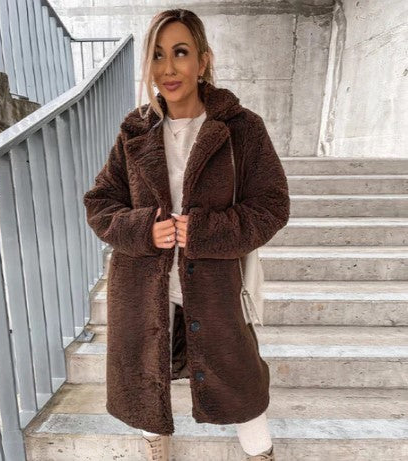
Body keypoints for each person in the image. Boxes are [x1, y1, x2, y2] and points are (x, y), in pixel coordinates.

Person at [83, 8, 290, 461]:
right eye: (157, 55)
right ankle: (156, 445)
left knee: (241, 383)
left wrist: (205, 231)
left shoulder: (241, 129)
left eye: (180, 52)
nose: (168, 68)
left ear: (203, 60)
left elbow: (272, 206)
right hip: (143, 284)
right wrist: (143, 229)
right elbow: (100, 202)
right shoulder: (135, 129)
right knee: (145, 378)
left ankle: (261, 454)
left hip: (214, 284)